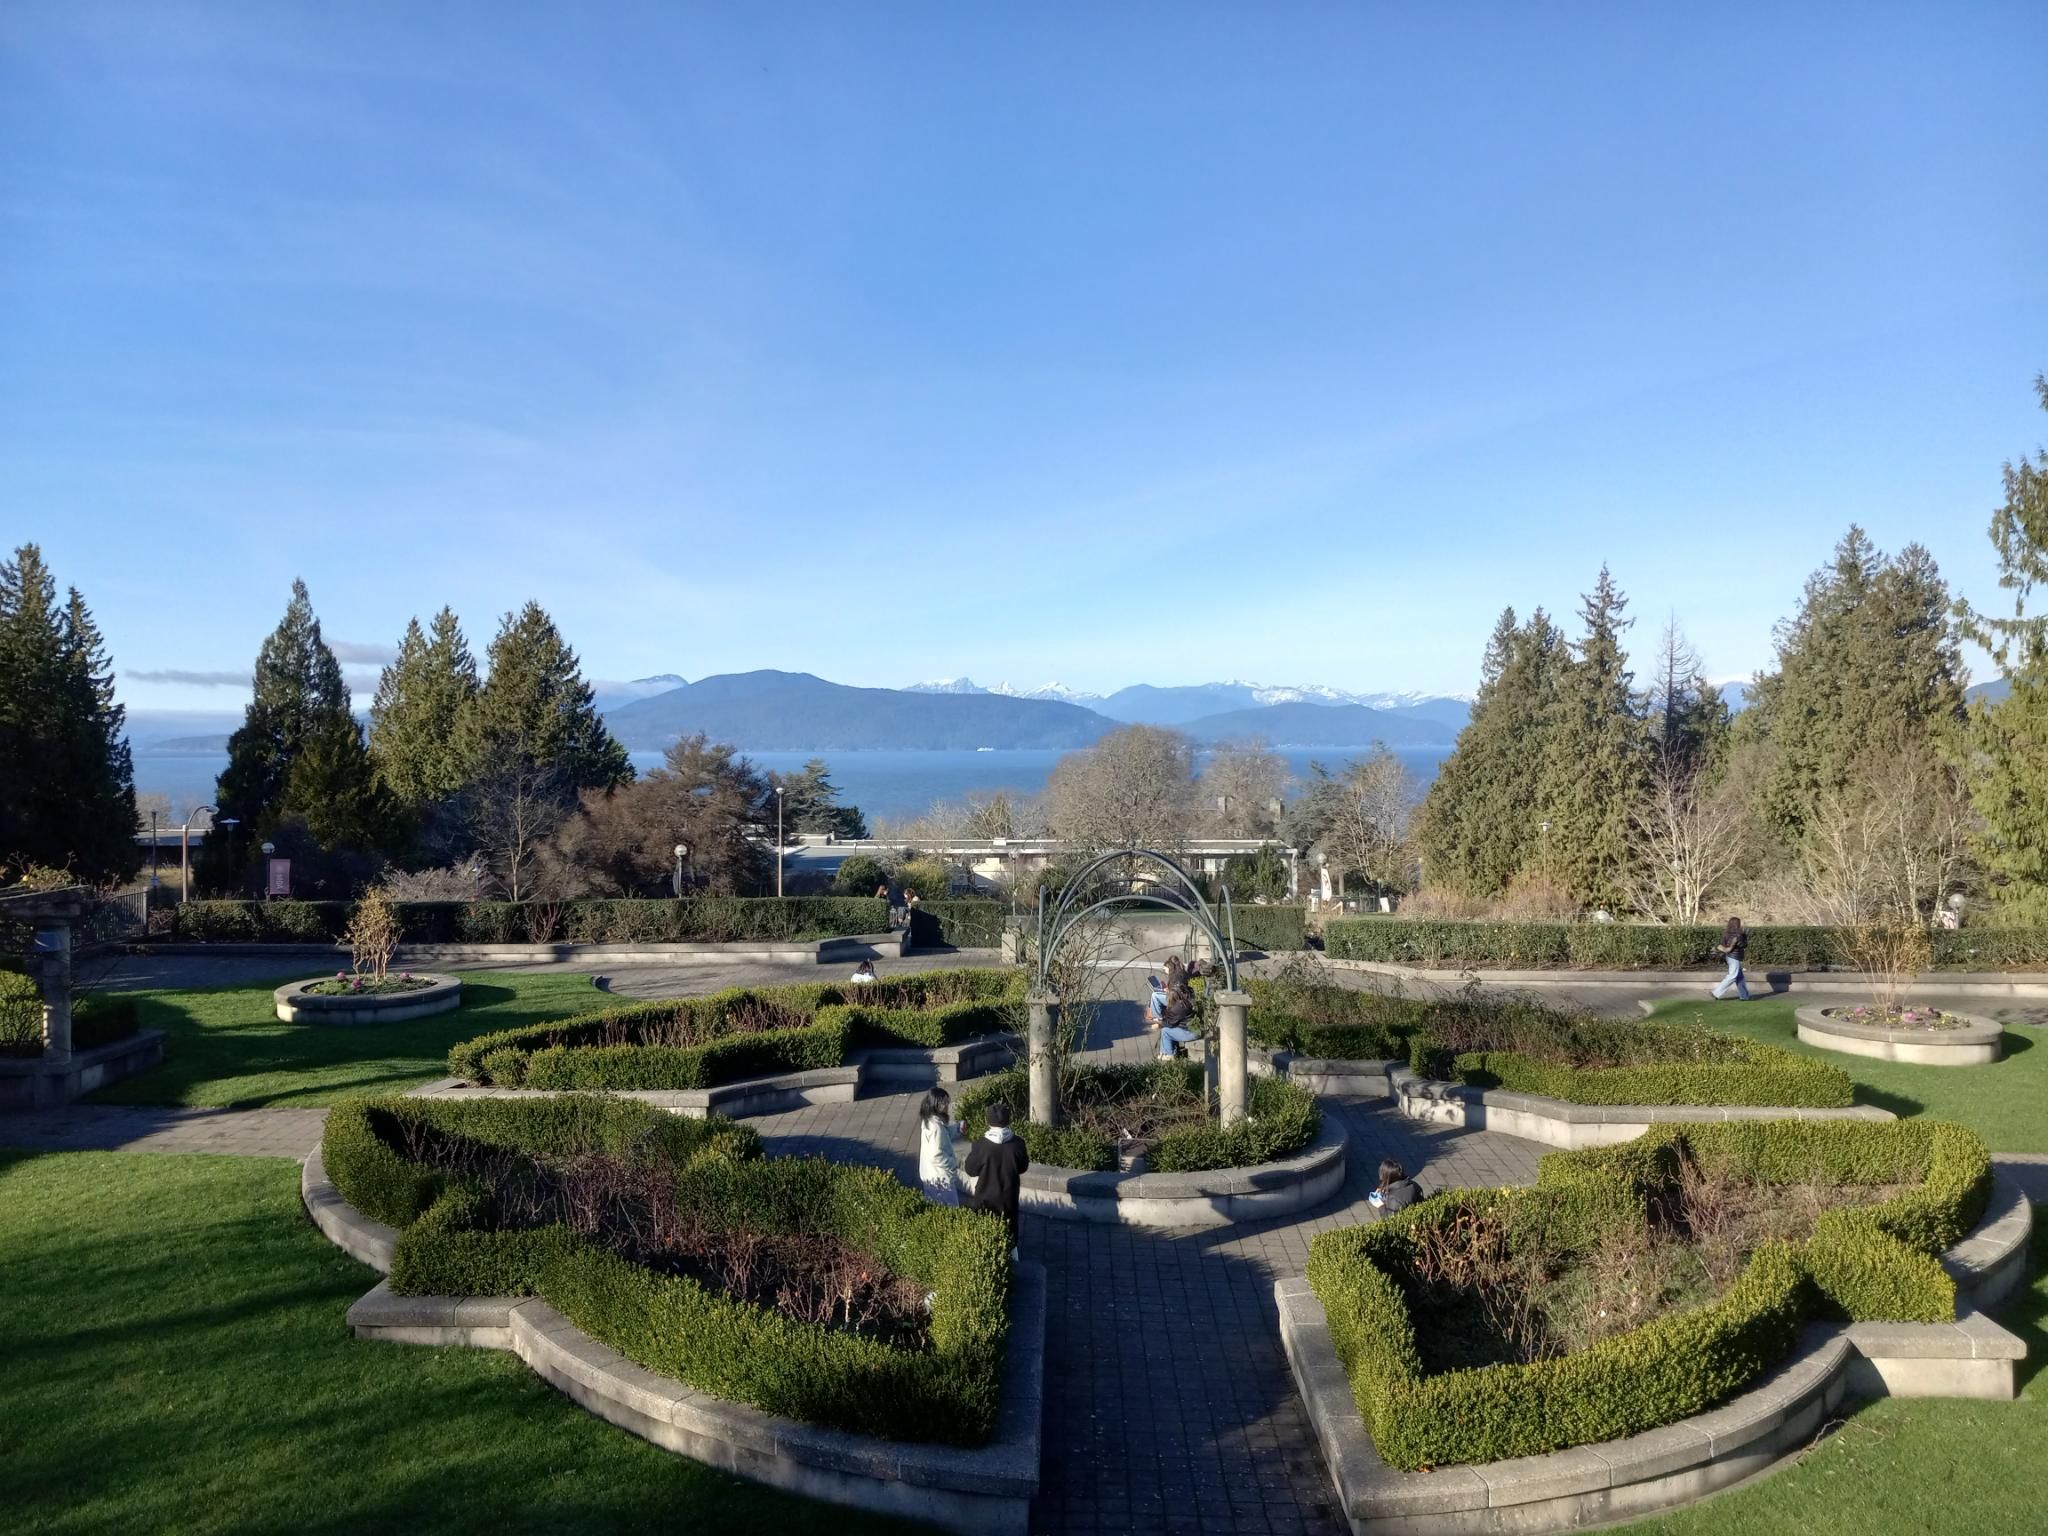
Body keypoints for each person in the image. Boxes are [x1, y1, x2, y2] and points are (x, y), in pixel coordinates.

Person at [963, 1100, 1030, 1258]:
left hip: (985, 1197)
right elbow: (1023, 1167)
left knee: (986, 1230)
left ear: (988, 1121)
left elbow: (971, 1170)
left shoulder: (981, 1145)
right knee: (1010, 1231)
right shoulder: (1018, 1143)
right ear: (1009, 1120)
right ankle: (1013, 1259)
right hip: (1009, 1196)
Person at [917, 1088, 965, 1206]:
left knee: (934, 1207)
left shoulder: (928, 1120)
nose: (947, 1105)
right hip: (940, 1177)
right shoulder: (936, 1127)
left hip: (929, 1174)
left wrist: (958, 1128)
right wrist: (953, 1163)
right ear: (936, 1104)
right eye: (944, 1102)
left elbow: (945, 1134)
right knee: (951, 1209)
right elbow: (936, 1155)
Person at [1712, 916, 1751, 1002]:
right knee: (1733, 975)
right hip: (1735, 957)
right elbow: (1743, 945)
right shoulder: (1738, 934)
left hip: (1729, 956)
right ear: (1737, 924)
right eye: (1739, 923)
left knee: (1739, 977)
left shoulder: (1726, 933)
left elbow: (1722, 944)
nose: (1741, 924)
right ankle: (1716, 992)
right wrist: (1745, 936)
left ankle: (1744, 996)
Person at [1157, 985, 1200, 1058]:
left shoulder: (1179, 1007)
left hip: (1191, 1033)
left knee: (1165, 1031)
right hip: (1194, 1029)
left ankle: (1168, 1055)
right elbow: (1173, 1018)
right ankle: (1167, 1052)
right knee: (1168, 1030)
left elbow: (1169, 1023)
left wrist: (1159, 1023)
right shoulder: (1184, 1002)